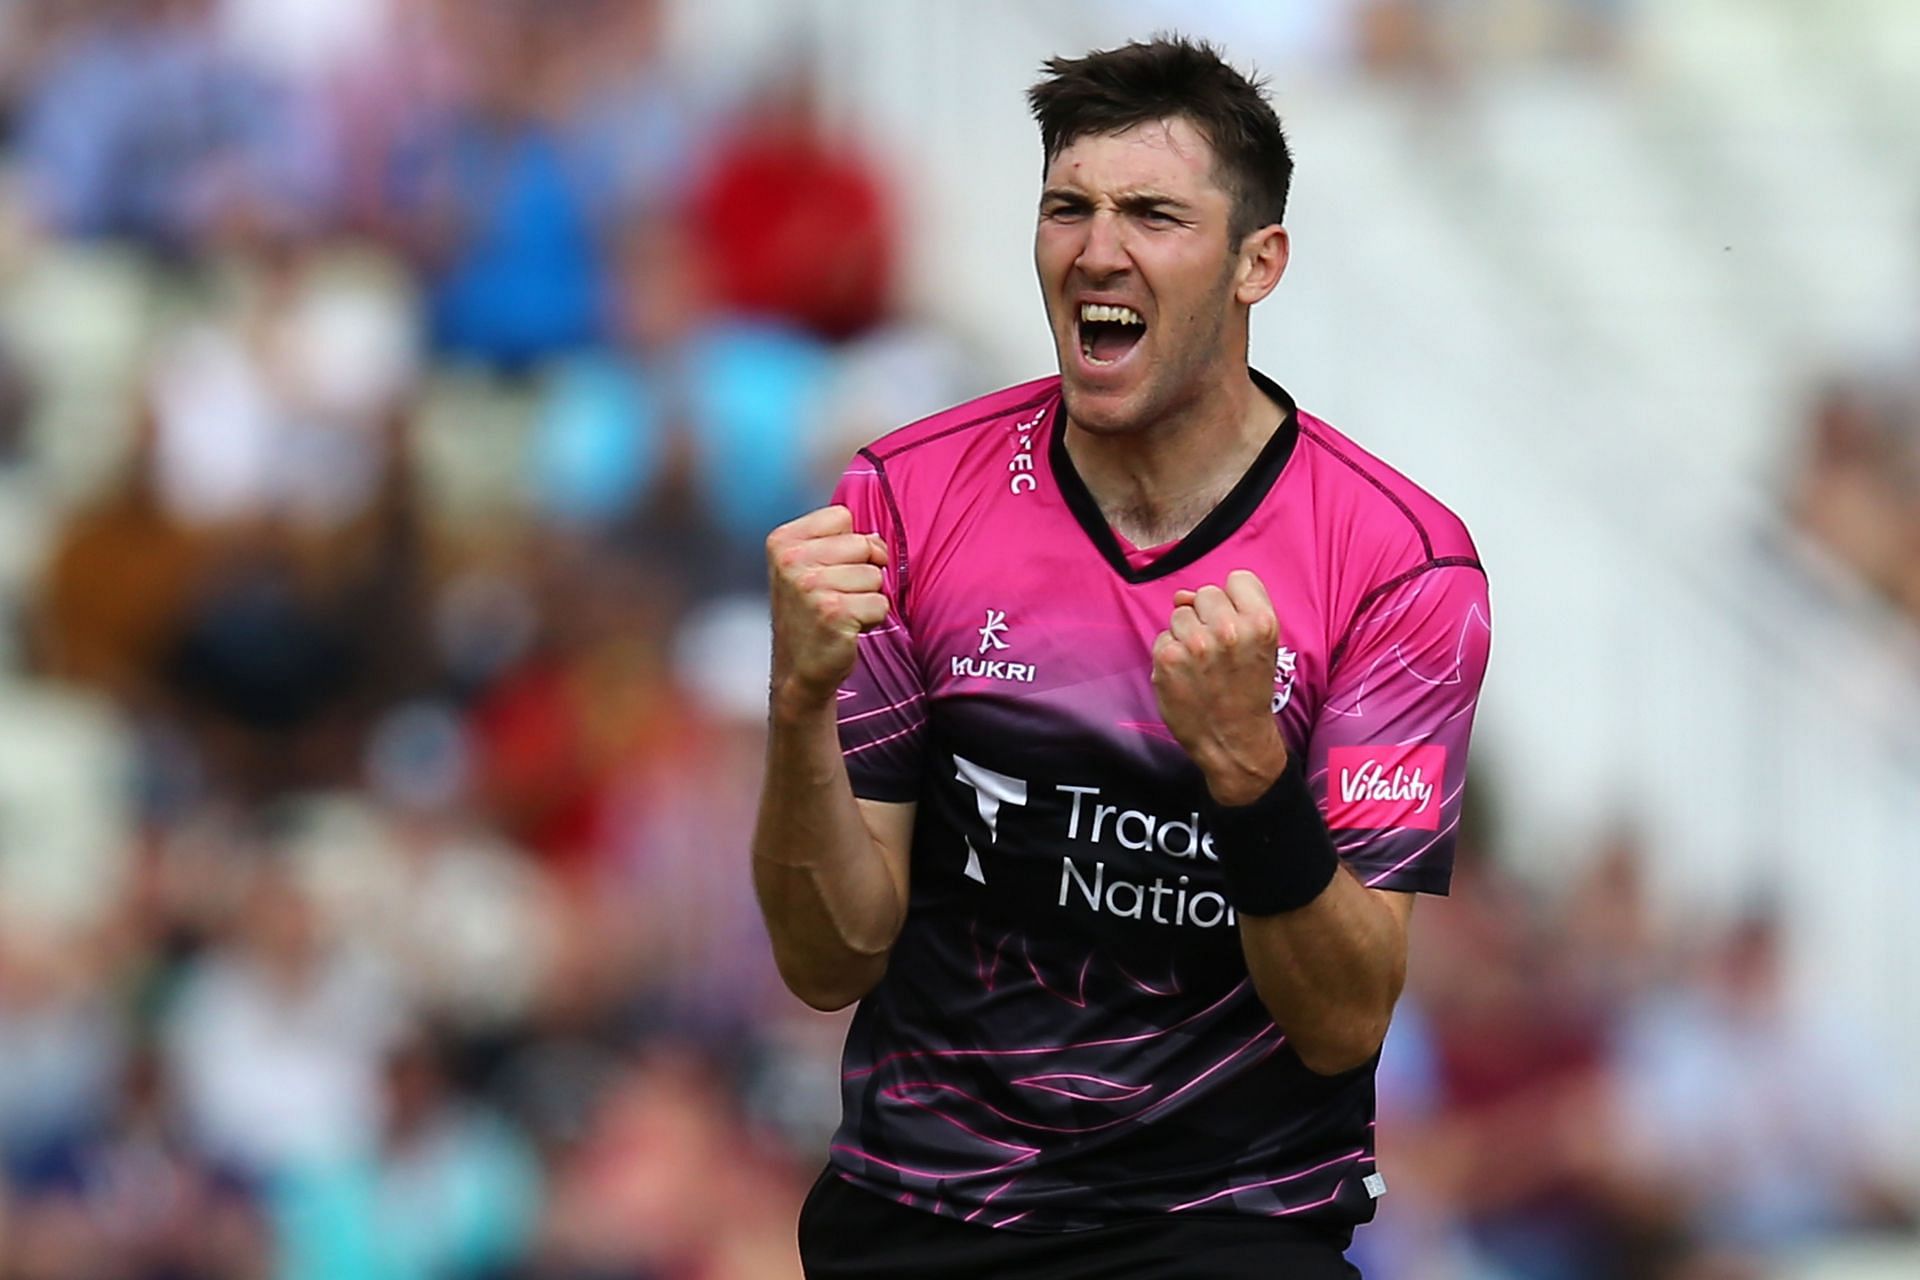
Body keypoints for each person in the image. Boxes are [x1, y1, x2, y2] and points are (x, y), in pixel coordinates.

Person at [752, 36, 1492, 1279]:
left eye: (1153, 212)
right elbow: (829, 958)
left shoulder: (1397, 564)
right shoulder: (906, 499)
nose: (1100, 248)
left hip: (1223, 1227)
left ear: (1260, 261)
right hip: (924, 1208)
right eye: (1068, 207)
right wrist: (794, 702)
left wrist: (1248, 773)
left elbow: (1344, 1016)